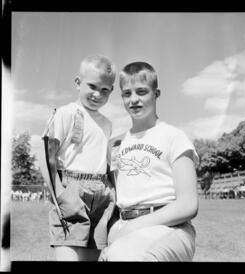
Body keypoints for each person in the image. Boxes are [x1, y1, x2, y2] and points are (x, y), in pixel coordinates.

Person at [100, 62, 199, 261]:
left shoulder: (174, 136)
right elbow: (116, 195)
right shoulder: (116, 144)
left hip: (169, 226)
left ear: (156, 93)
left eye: (141, 91)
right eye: (127, 93)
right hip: (124, 226)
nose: (134, 99)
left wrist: (134, 226)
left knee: (125, 257)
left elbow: (188, 204)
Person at [45, 55, 116, 261]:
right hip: (72, 190)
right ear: (78, 83)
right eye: (92, 86)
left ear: (111, 90)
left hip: (101, 194)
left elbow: (106, 162)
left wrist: (113, 194)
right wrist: (60, 193)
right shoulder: (65, 113)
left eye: (105, 90)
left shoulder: (107, 123)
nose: (97, 94)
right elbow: (46, 156)